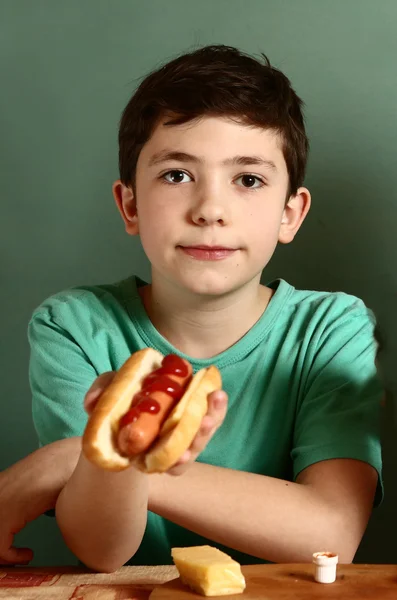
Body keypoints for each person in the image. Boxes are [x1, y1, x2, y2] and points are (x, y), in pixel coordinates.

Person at [0, 45, 382, 571]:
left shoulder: (329, 328)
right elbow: (101, 550)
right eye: (177, 175)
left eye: (248, 179)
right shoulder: (74, 327)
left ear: (290, 215)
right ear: (130, 205)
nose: (210, 210)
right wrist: (123, 456)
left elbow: (331, 532)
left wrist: (76, 458)